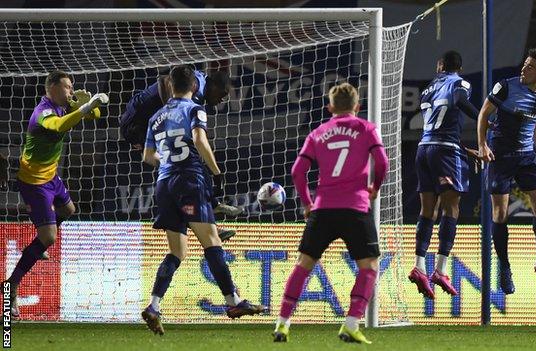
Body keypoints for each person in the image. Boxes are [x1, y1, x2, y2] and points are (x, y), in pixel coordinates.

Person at [141, 65, 265, 335]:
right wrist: (216, 173)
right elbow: (200, 140)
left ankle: (153, 306)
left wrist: (169, 159)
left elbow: (148, 157)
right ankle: (234, 302)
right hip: (189, 179)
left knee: (177, 252)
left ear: (171, 86)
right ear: (194, 87)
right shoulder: (195, 110)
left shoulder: (156, 116)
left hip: (164, 184)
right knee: (212, 242)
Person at [272, 83, 389, 344]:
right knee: (369, 267)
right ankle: (350, 324)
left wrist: (306, 202)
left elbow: (296, 171)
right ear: (357, 107)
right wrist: (375, 188)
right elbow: (382, 162)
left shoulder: (318, 132)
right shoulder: (366, 128)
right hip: (355, 209)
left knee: (304, 265)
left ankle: (282, 323)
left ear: (330, 108)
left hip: (323, 208)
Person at [4, 70, 108, 317]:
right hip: (33, 182)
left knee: (68, 210)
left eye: (72, 88)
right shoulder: (43, 112)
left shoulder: (64, 104)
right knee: (49, 237)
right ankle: (11, 285)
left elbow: (96, 114)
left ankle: (38, 245)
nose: (71, 91)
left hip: (51, 177)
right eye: (68, 87)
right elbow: (60, 125)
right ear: (52, 87)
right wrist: (85, 108)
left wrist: (87, 103)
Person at [120, 67, 241, 241]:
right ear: (213, 85)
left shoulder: (198, 92)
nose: (222, 99)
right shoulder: (197, 85)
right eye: (222, 93)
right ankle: (210, 223)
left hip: (144, 121)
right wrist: (169, 110)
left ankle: (212, 211)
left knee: (189, 166)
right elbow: (164, 80)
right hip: (136, 121)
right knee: (184, 168)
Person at [477, 48, 536, 294]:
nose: (524, 69)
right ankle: (504, 266)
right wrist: (482, 144)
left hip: (526, 157)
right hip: (500, 156)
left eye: (531, 66)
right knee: (500, 212)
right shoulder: (505, 86)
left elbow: (534, 123)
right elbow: (483, 114)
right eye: (525, 64)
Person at [408, 51, 480, 300]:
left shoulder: (429, 88)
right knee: (452, 208)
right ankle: (440, 270)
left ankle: (419, 265)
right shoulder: (460, 82)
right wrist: (483, 118)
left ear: (440, 65)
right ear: (458, 67)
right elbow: (460, 100)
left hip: (423, 149)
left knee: (428, 211)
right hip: (445, 150)